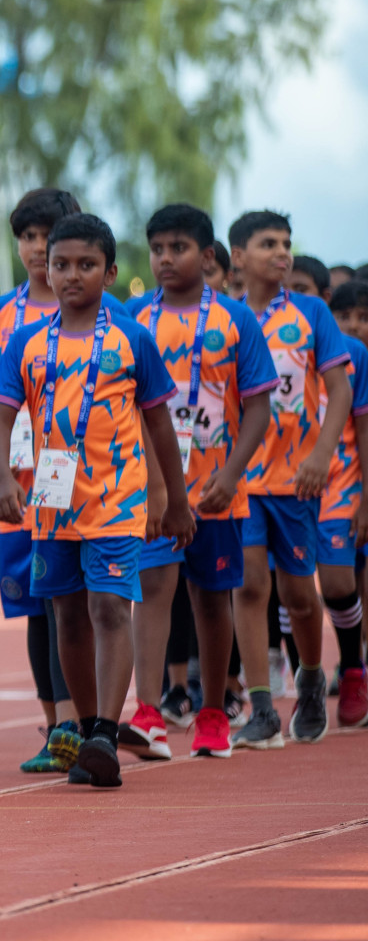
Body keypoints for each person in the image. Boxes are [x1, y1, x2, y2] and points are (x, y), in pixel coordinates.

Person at [0, 213, 193, 788]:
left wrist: (173, 500)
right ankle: (81, 727)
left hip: (116, 502)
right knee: (67, 615)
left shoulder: (131, 338)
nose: (71, 275)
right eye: (61, 264)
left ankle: (105, 730)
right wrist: (3, 479)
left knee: (107, 607)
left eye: (86, 265)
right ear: (46, 268)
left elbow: (160, 426)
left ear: (110, 271)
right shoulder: (26, 343)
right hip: (51, 505)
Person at [122, 204, 276, 760]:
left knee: (212, 601)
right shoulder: (134, 319)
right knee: (154, 593)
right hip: (154, 491)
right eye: (157, 249)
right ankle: (149, 712)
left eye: (178, 248)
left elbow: (258, 407)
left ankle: (212, 713)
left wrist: (232, 475)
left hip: (216, 491)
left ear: (208, 256)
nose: (165, 259)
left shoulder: (236, 319)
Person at [0, 188, 88, 774]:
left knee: (83, 605)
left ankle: (95, 721)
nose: (37, 247)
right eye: (27, 236)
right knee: (40, 608)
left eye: (49, 235)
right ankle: (57, 725)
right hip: (17, 486)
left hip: (86, 487)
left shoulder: (99, 313)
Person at [228, 211, 352, 747]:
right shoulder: (225, 320)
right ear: (238, 256)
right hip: (240, 480)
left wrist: (322, 455)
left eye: (286, 243)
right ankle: (260, 706)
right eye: (268, 243)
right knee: (251, 584)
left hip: (297, 479)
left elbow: (340, 389)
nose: (282, 253)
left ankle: (309, 679)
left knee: (300, 596)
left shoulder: (312, 313)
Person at [307, 279, 368, 726]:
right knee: (280, 588)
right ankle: (304, 676)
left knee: (337, 583)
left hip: (339, 483)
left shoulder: (351, 353)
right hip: (277, 481)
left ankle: (352, 668)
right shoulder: (251, 334)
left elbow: (362, 427)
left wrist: (365, 497)